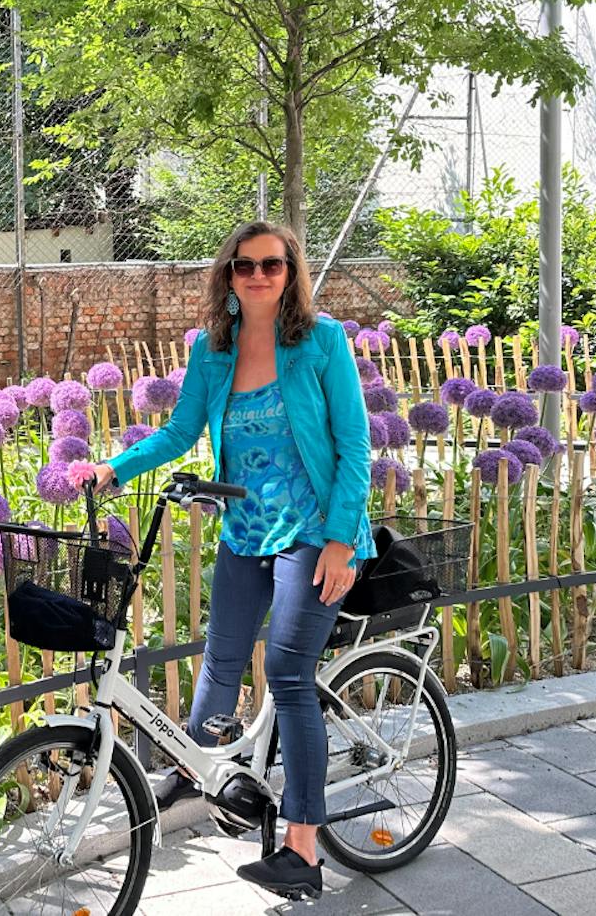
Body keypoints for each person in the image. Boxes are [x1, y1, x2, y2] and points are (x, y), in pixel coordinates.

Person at [68, 220, 374, 898]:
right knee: (222, 658)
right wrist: (112, 470)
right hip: (245, 529)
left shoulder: (322, 342)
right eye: (245, 266)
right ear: (227, 276)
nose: (258, 275)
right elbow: (180, 430)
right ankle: (195, 765)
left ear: (291, 271)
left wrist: (342, 540)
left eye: (271, 264)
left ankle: (303, 849)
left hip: (315, 530)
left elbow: (355, 447)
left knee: (289, 672)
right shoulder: (214, 351)